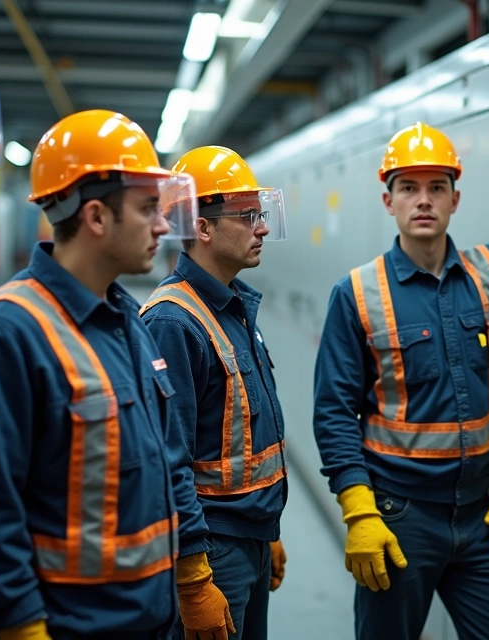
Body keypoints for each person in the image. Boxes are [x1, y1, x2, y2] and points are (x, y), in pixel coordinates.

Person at [312, 121, 489, 639]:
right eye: (409, 188)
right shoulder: (356, 294)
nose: (424, 200)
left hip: (481, 515)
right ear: (387, 199)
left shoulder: (487, 271)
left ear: (455, 199)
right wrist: (358, 510)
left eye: (436, 187)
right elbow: (333, 412)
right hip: (399, 517)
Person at [0, 109, 214, 640]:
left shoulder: (126, 322)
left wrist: (190, 571)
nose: (164, 226)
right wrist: (21, 623)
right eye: (147, 209)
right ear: (96, 217)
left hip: (150, 619)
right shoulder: (5, 334)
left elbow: (167, 460)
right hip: (70, 625)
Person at [140, 145, 290, 640]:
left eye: (262, 214)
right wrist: (192, 577)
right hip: (212, 551)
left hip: (249, 538)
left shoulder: (234, 306)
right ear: (202, 228)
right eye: (248, 216)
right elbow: (168, 464)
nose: (263, 228)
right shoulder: (172, 322)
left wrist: (268, 528)